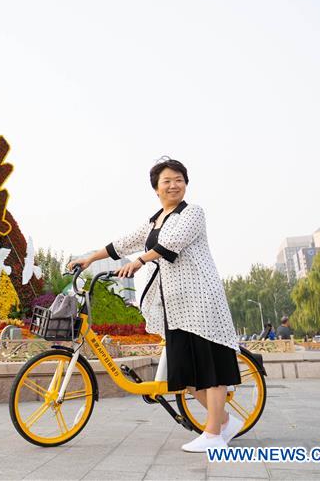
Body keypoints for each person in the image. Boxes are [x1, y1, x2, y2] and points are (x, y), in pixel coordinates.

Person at [69, 158, 241, 453]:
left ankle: (214, 435)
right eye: (167, 181)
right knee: (185, 372)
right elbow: (122, 243)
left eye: (179, 180)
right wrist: (90, 258)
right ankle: (225, 422)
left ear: (186, 184)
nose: (174, 185)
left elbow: (171, 243)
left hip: (201, 300)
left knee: (210, 368)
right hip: (175, 307)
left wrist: (139, 261)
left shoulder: (192, 213)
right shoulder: (154, 221)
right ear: (156, 188)